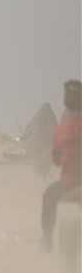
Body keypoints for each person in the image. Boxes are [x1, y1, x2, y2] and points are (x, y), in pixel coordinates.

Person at [39, 80, 81, 253]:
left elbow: (56, 161)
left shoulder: (61, 130)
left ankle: (47, 240)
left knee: (48, 196)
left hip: (70, 183)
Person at [20, 103, 59, 179]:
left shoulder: (36, 117)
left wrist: (24, 136)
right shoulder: (50, 116)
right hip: (46, 142)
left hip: (36, 142)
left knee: (37, 156)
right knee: (46, 156)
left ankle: (41, 172)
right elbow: (54, 127)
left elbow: (30, 128)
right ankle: (45, 171)